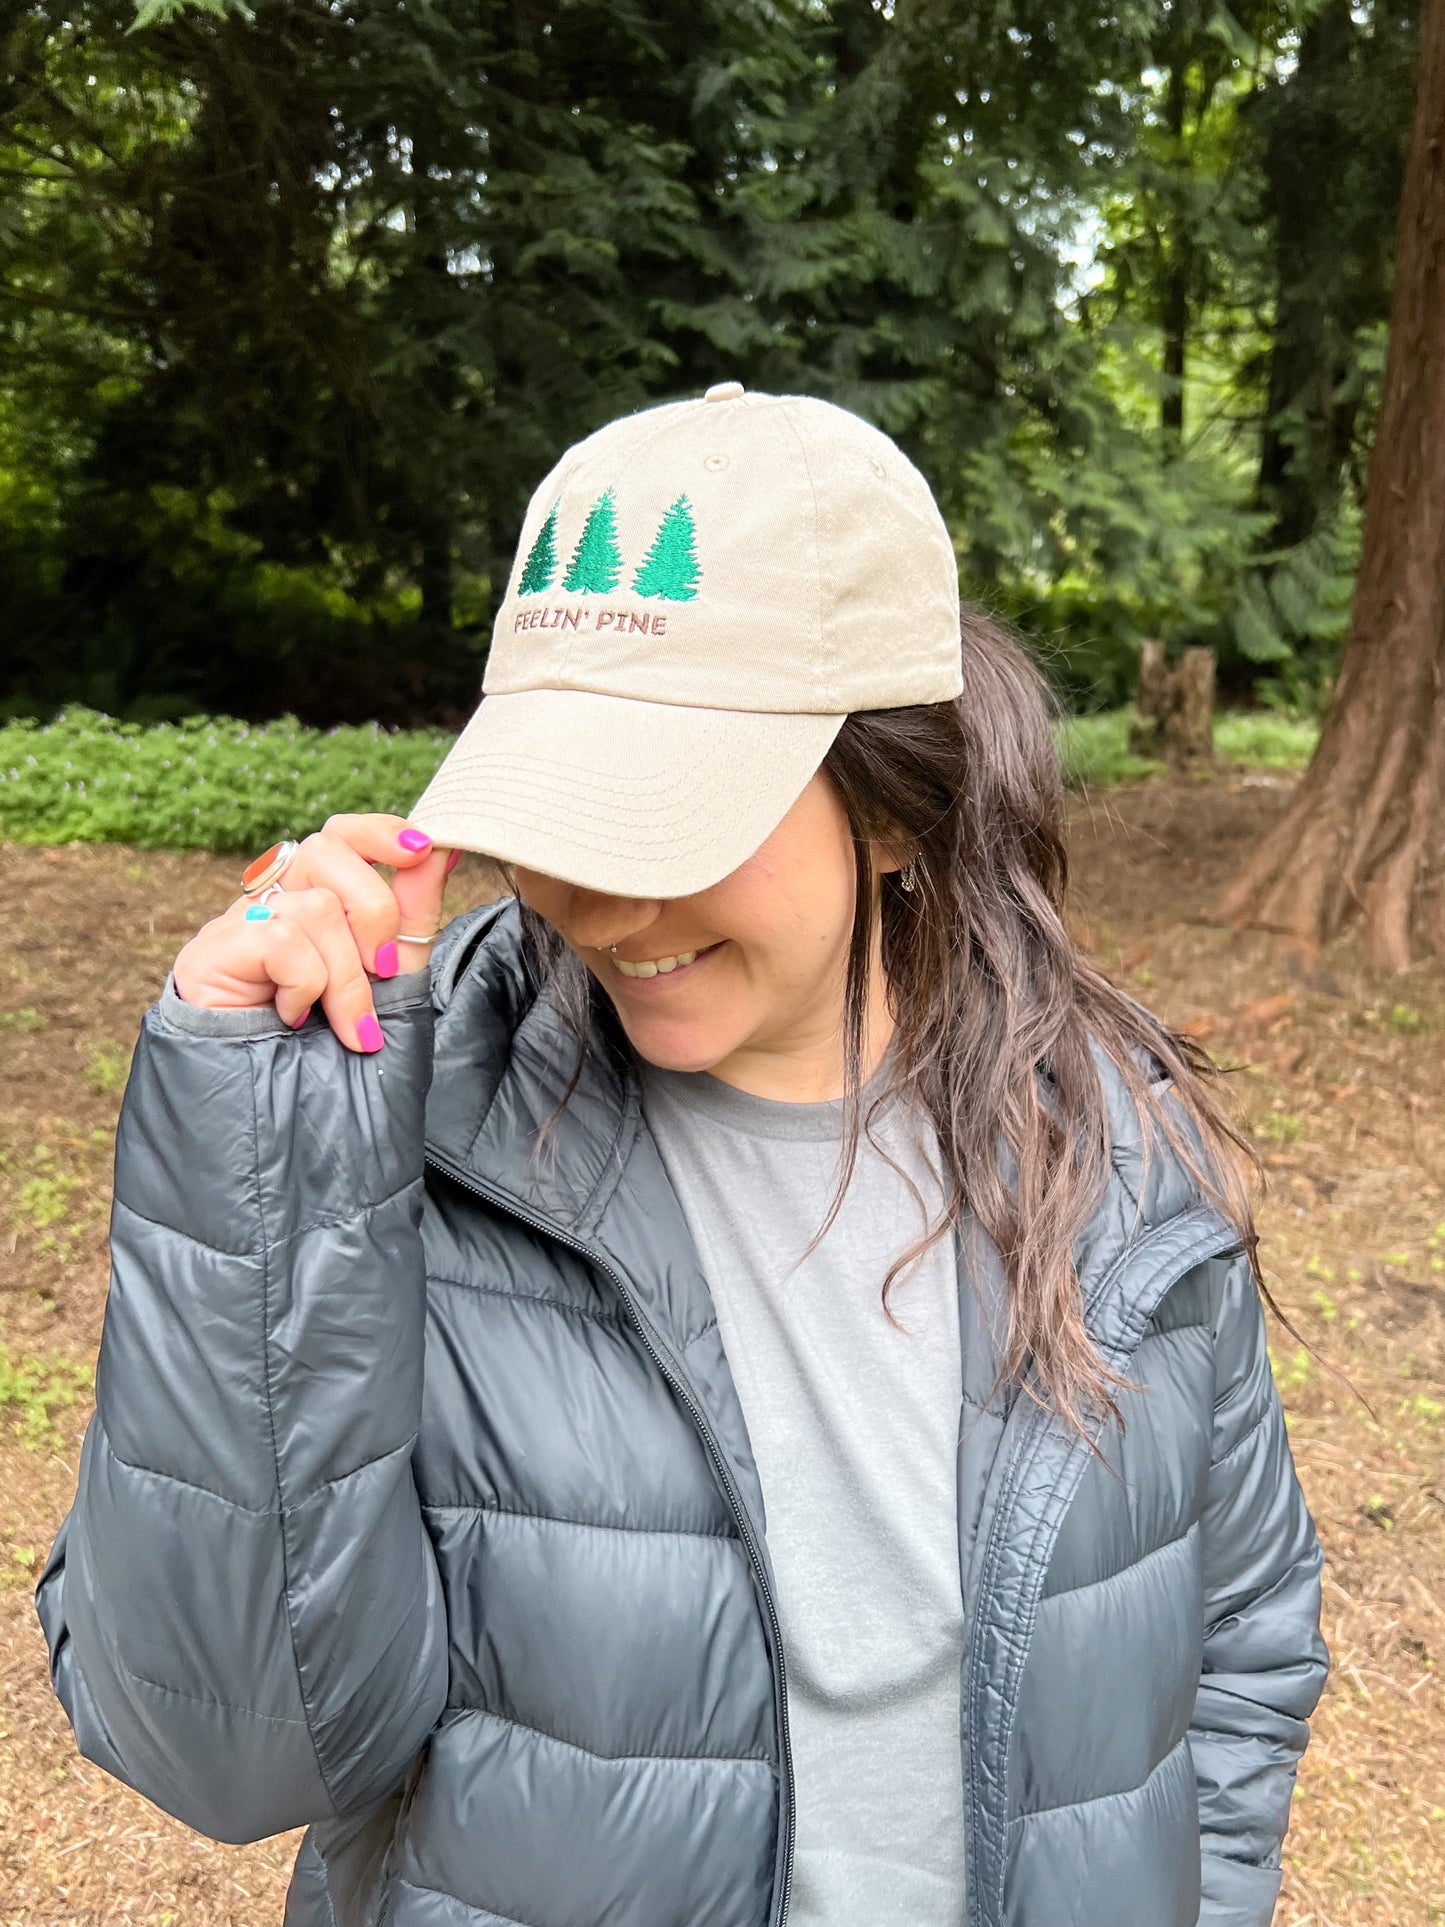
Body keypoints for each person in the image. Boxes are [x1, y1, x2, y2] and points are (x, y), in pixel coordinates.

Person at [37, 385, 1327, 1927]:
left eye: (678, 821)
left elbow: (1241, 1635)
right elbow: (229, 1755)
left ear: (900, 807)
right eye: (562, 815)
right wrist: (249, 1143)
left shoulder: (1121, 1165)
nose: (604, 902)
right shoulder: (407, 1137)